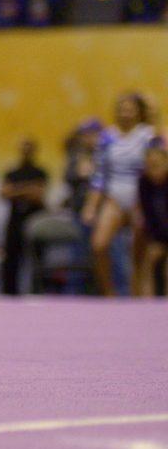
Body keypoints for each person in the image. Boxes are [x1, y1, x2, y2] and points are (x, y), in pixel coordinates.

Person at [82, 92, 157, 296]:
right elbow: (100, 175)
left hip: (139, 199)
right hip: (114, 198)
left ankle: (137, 295)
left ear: (138, 112)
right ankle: (109, 294)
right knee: (99, 244)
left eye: (129, 109)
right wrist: (91, 206)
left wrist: (148, 203)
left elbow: (155, 169)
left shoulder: (147, 135)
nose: (125, 113)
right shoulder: (107, 137)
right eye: (121, 109)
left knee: (138, 254)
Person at [0, 138, 48, 295]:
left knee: (37, 258)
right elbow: (4, 193)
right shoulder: (11, 172)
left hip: (35, 219)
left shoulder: (40, 172)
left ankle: (37, 292)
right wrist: (27, 189)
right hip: (15, 220)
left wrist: (16, 190)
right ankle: (9, 294)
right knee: (11, 259)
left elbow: (38, 195)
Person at [135, 141, 168, 297]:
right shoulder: (144, 183)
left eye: (157, 165)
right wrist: (155, 241)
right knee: (148, 261)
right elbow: (149, 215)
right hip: (159, 236)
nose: (152, 171)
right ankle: (145, 305)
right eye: (148, 166)